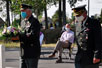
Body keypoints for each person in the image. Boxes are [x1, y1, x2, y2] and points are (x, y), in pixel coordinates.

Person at [19, 4, 41, 68]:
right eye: (21, 11)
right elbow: (21, 33)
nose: (22, 13)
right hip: (23, 52)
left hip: (32, 52)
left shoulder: (35, 22)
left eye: (23, 11)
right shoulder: (22, 22)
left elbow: (34, 36)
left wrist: (21, 36)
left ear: (29, 11)